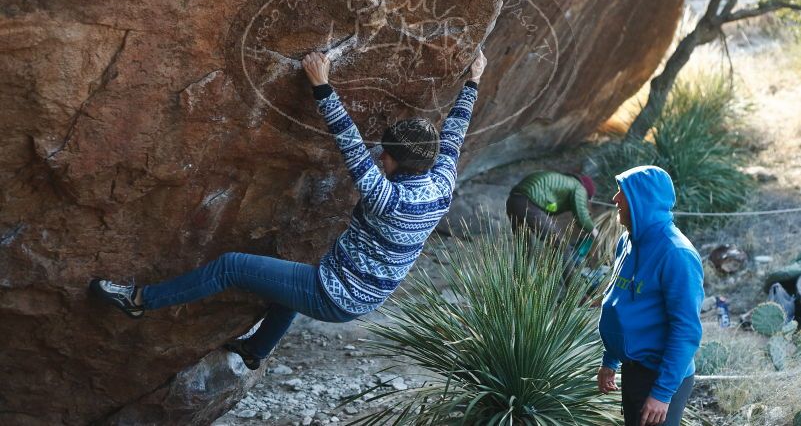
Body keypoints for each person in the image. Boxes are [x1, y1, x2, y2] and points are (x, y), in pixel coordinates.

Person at [90, 49, 486, 370]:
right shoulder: (442, 182)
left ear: (397, 163)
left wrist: (321, 85)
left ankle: (140, 301)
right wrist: (473, 80)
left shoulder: (389, 198)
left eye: (384, 156)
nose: (378, 156)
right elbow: (455, 129)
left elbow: (348, 142)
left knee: (232, 266)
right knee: (288, 287)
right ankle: (256, 351)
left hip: (336, 294)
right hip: (363, 293)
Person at [597, 165, 704, 426]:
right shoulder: (627, 241)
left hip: (661, 376)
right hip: (633, 369)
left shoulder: (677, 254)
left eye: (622, 192)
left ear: (642, 200)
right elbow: (618, 301)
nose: (615, 199)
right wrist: (610, 358)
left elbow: (686, 330)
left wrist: (662, 393)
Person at [505, 171, 599, 249]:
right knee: (560, 243)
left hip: (513, 200)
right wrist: (594, 231)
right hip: (528, 202)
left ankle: (520, 272)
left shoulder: (563, 182)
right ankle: (571, 272)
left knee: (524, 249)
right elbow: (581, 215)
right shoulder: (580, 188)